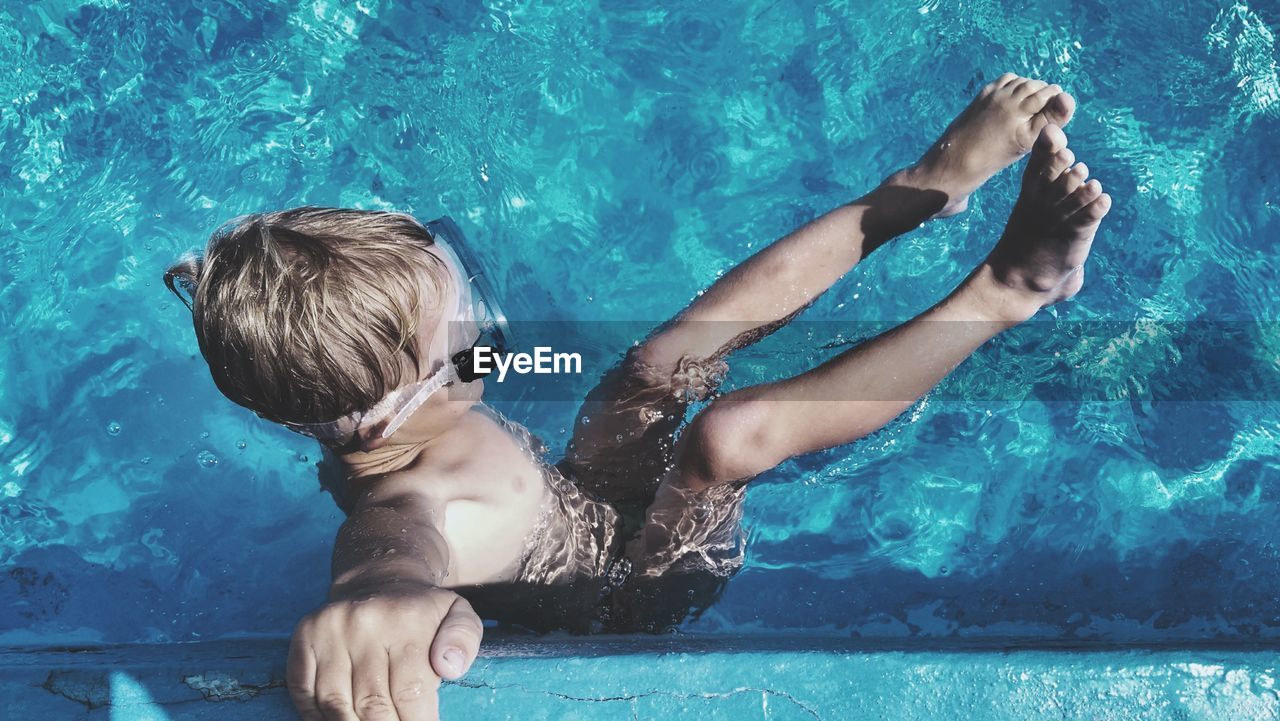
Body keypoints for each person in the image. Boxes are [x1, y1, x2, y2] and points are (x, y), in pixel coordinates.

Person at [164, 73, 1108, 721]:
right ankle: (1010, 290)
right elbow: (388, 553)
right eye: (465, 329)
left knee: (659, 361)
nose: (487, 330)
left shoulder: (403, 414)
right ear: (385, 412)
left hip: (578, 503)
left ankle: (918, 191)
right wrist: (378, 595)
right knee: (730, 436)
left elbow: (442, 419)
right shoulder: (413, 500)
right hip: (623, 593)